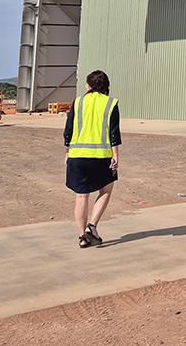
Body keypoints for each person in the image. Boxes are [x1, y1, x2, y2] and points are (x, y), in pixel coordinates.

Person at [64, 70, 120, 249]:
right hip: (101, 157)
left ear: (88, 85)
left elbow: (69, 129)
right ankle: (92, 226)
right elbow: (114, 133)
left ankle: (82, 237)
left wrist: (67, 150)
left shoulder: (78, 102)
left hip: (77, 156)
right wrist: (115, 156)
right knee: (106, 190)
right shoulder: (110, 103)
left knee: (81, 195)